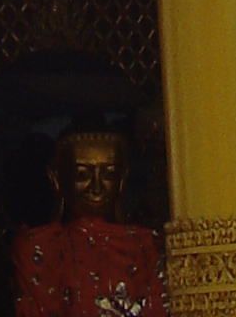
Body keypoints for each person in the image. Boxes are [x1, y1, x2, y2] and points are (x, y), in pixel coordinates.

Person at [11, 128, 165, 317]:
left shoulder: (145, 246)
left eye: (108, 174)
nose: (97, 187)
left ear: (122, 179)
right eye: (82, 175)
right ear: (57, 178)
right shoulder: (39, 248)